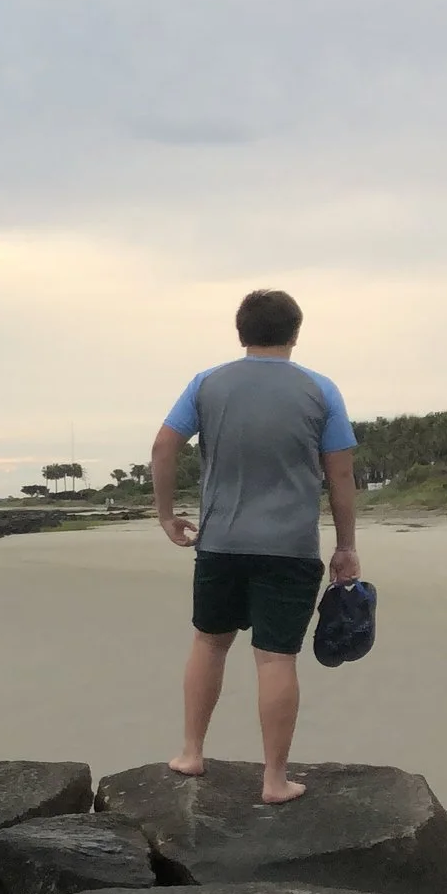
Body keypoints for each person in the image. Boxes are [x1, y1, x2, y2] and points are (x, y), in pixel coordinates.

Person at [150, 288, 360, 803]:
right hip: (290, 547)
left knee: (208, 642)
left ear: (241, 332)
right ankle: (273, 780)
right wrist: (346, 545)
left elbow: (163, 447)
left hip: (220, 542)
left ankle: (191, 754)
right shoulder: (322, 389)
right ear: (295, 332)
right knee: (275, 660)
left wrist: (165, 515)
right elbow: (341, 473)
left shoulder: (206, 384)